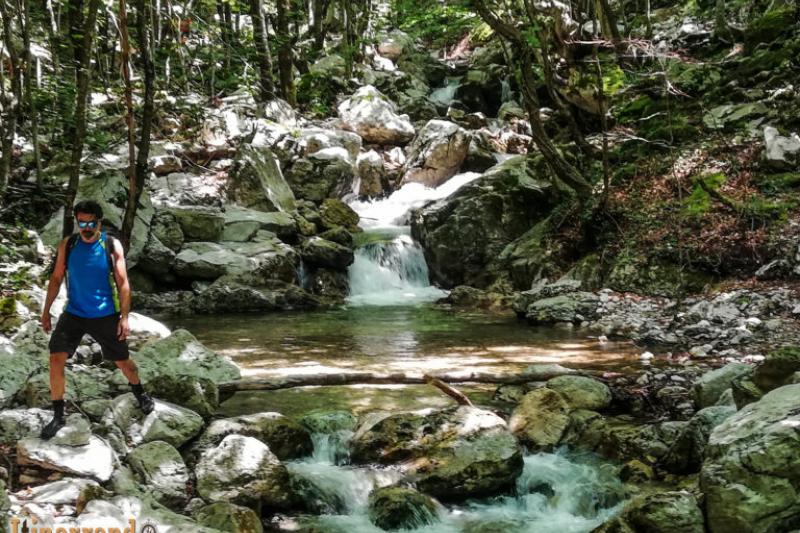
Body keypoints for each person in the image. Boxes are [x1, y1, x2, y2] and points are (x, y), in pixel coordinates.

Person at [39, 200, 154, 439]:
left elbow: (123, 283)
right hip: (74, 313)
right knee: (56, 357)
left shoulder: (111, 245)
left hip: (104, 314)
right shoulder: (68, 244)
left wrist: (124, 317)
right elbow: (57, 277)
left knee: (124, 363)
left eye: (91, 222)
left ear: (99, 222)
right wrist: (46, 309)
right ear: (77, 222)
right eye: (82, 222)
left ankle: (140, 393)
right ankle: (58, 415)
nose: (87, 227)